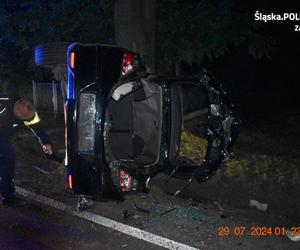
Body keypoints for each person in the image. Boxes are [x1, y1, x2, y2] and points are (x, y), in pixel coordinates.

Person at [0, 94, 53, 205]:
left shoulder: (30, 113)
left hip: (2, 137)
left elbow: (37, 126)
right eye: (20, 113)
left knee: (8, 158)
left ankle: (8, 196)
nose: (21, 117)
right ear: (19, 102)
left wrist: (45, 142)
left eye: (25, 117)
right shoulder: (3, 101)